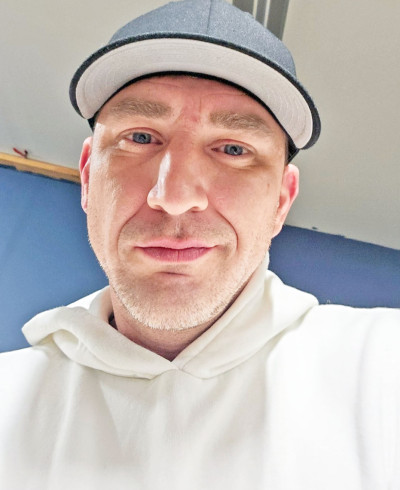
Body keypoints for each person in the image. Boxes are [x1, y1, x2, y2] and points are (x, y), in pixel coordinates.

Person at [1, 0, 399, 488]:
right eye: (140, 137)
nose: (174, 197)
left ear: (281, 200)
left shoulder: (383, 370)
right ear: (88, 177)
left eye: (233, 149)